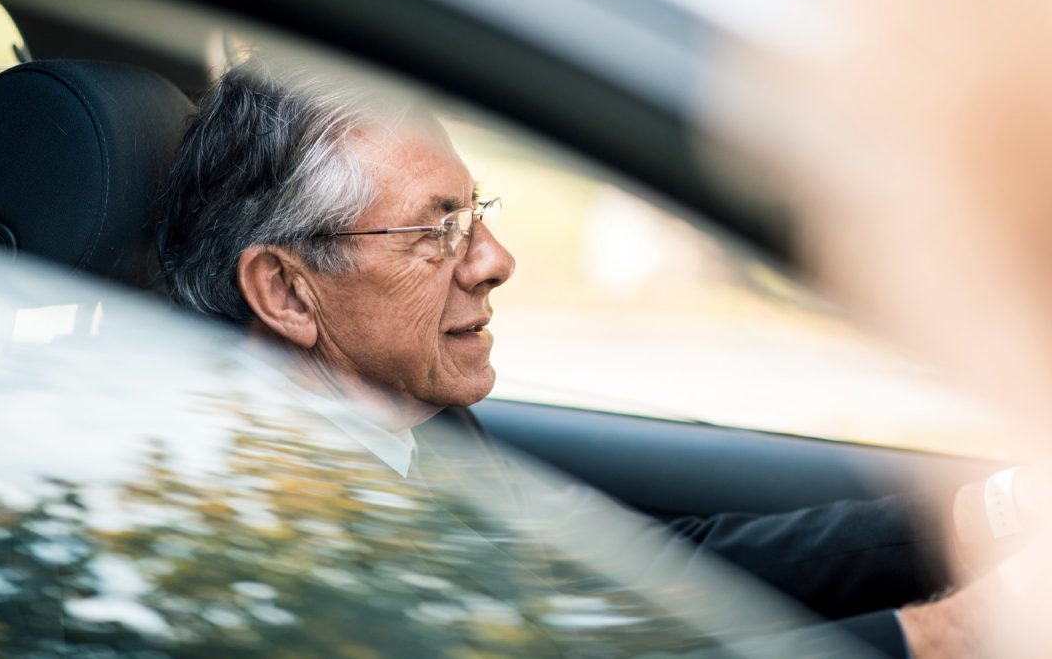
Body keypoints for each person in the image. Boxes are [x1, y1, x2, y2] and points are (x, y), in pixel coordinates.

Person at [155, 64, 1037, 658]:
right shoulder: (258, 536)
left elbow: (633, 583)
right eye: (439, 228)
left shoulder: (410, 423)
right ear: (287, 290)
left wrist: (984, 515)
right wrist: (944, 635)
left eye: (477, 212)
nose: (496, 259)